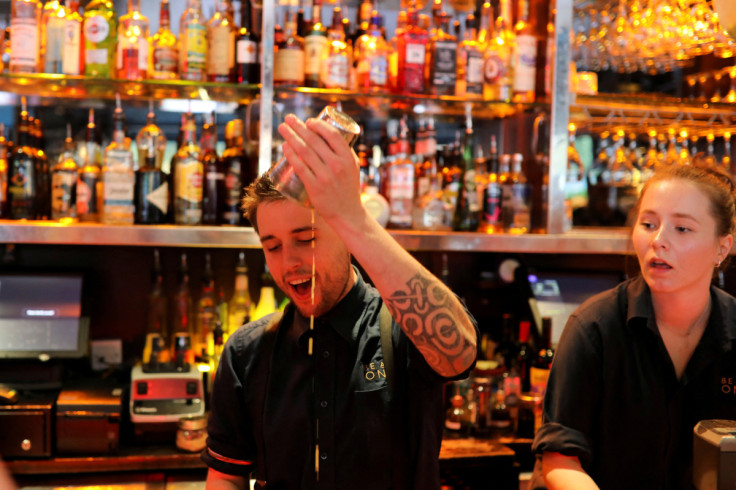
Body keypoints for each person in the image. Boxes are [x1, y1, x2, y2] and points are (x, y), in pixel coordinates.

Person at [202, 113, 479, 489]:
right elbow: (226, 478)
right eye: (273, 247)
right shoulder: (247, 353)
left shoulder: (400, 330)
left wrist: (353, 216)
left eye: (306, 239)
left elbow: (459, 351)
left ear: (345, 233)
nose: (290, 262)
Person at [531, 164, 736, 489]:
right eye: (648, 224)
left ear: (722, 248)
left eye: (682, 228)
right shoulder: (594, 327)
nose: (658, 240)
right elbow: (560, 459)